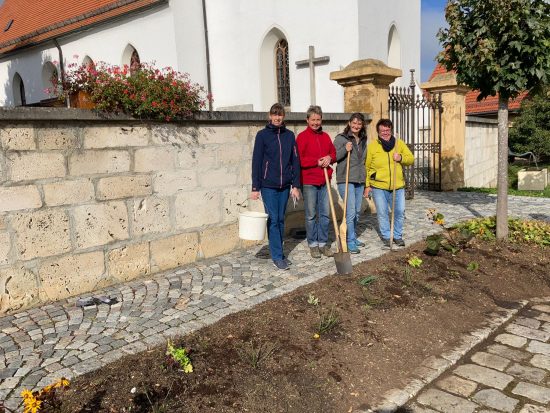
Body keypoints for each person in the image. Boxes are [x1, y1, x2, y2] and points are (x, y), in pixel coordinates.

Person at [251, 103, 301, 271]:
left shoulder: (289, 136)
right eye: (274, 114)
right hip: (268, 186)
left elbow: (295, 161)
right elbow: (256, 162)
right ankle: (278, 256)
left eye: (280, 114)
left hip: (285, 185)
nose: (277, 117)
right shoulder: (262, 135)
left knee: (280, 219)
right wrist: (255, 187)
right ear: (270, 116)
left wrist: (295, 185)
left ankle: (277, 252)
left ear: (283, 117)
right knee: (273, 220)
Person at [364, 118, 414, 247]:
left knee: (400, 211)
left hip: (397, 186)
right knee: (382, 212)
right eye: (382, 130)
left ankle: (397, 235)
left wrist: (401, 158)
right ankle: (387, 236)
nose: (385, 132)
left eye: (387, 130)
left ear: (390, 130)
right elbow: (367, 167)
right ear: (378, 132)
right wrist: (367, 185)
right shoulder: (373, 146)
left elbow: (411, 159)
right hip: (378, 186)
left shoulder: (399, 144)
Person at [296, 105, 336, 259]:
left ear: (321, 120)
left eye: (318, 120)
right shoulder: (302, 137)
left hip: (325, 181)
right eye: (313, 120)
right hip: (309, 181)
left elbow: (332, 153)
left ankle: (323, 243)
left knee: (325, 214)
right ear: (307, 120)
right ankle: (313, 244)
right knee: (311, 215)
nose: (315, 122)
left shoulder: (325, 136)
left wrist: (329, 158)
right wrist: (316, 161)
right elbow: (299, 160)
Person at [334, 113, 368, 254]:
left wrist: (366, 182)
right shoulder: (341, 138)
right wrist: (344, 149)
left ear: (362, 125)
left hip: (359, 180)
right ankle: (350, 241)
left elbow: (365, 160)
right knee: (351, 212)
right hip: (346, 179)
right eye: (354, 123)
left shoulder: (363, 139)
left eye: (359, 124)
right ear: (349, 123)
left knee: (357, 211)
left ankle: (352, 236)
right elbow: (334, 156)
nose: (356, 126)